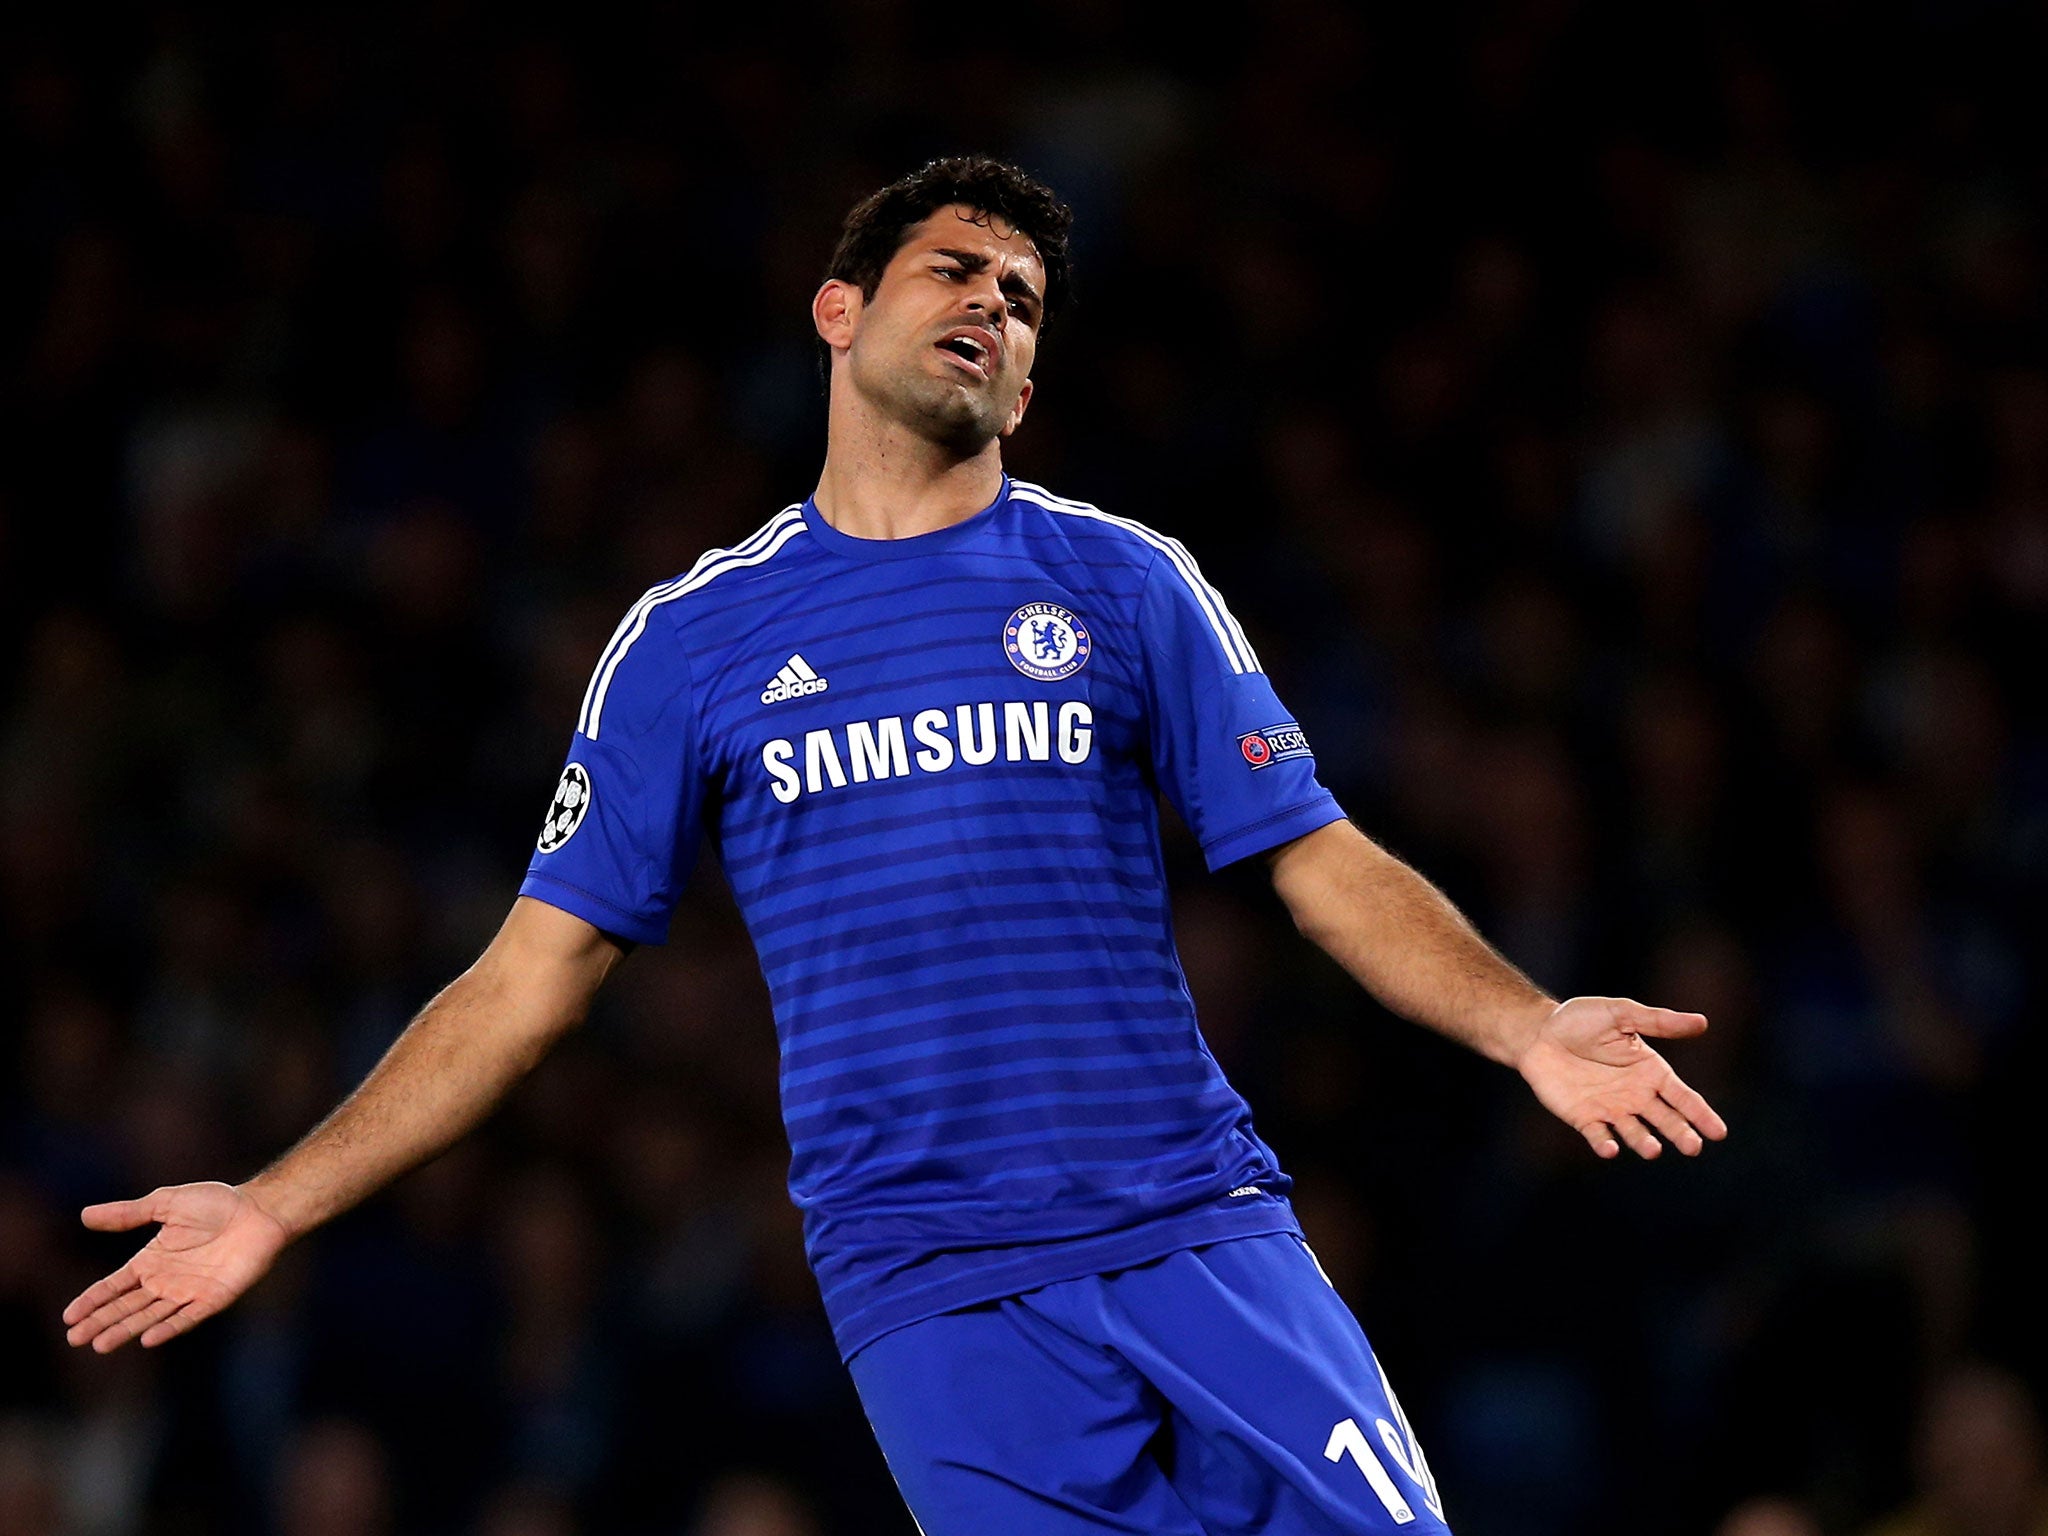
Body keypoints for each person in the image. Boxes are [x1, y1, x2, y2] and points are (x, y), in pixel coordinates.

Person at [62, 156, 1727, 1534]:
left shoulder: (1125, 580)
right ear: (839, 310)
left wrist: (1526, 1022)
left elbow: (1316, 857)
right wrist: (278, 1205)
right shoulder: (692, 641)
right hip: (927, 1288)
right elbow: (524, 983)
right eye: (958, 272)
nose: (995, 308)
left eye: (1023, 302)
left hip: (1194, 1224)